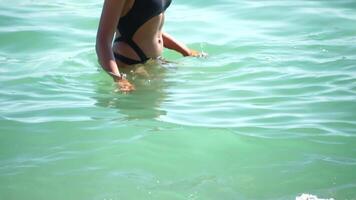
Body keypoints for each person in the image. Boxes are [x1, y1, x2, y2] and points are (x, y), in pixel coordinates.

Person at [96, 0, 201, 92]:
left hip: (154, 61)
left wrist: (186, 51)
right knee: (140, 112)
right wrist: (119, 79)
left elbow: (151, 29)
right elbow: (102, 41)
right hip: (129, 64)